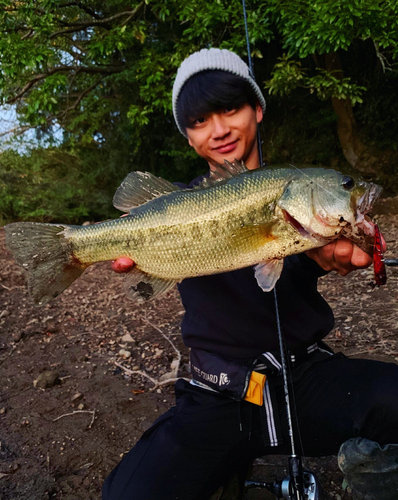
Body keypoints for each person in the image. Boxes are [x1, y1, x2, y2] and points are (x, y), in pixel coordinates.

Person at [103, 48, 398, 500]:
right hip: (216, 394)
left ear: (257, 109)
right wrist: (102, 248)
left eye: (230, 109)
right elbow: (138, 261)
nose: (218, 130)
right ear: (187, 137)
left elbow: (299, 247)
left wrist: (332, 250)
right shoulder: (174, 204)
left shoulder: (295, 195)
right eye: (200, 121)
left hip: (307, 381)